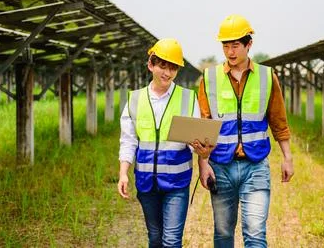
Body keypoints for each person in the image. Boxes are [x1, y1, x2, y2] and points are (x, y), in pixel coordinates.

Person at [197, 14, 294, 247]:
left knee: (255, 234)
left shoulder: (267, 77)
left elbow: (278, 121)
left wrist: (288, 158)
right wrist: (203, 164)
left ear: (248, 44)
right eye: (226, 46)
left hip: (256, 165)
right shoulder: (209, 78)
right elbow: (204, 123)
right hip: (221, 166)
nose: (230, 52)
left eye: (235, 46)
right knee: (222, 234)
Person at [117, 38, 212, 248]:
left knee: (171, 241)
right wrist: (123, 173)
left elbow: (194, 140)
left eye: (172, 68)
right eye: (162, 66)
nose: (167, 73)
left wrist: (201, 151)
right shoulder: (134, 99)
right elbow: (128, 140)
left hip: (177, 183)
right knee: (155, 238)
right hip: (146, 182)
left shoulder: (188, 98)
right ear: (151, 64)